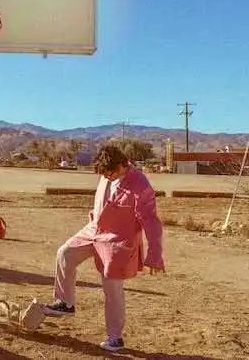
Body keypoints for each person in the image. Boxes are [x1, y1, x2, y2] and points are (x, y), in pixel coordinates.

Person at [43, 144, 165, 352]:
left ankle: (115, 338)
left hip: (119, 240)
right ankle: (65, 303)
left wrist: (155, 255)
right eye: (104, 174)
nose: (107, 177)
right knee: (65, 253)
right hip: (95, 230)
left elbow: (151, 221)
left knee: (112, 288)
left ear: (122, 164)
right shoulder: (106, 175)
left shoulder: (140, 184)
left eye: (111, 172)